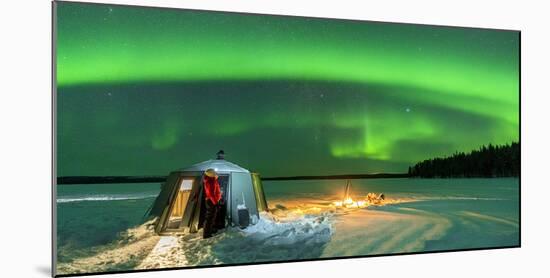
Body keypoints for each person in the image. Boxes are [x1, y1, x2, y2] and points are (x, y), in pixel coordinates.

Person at [202, 168, 222, 239]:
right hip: (211, 201)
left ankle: (210, 230)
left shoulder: (212, 180)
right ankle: (206, 234)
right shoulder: (209, 181)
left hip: (213, 201)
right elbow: (210, 194)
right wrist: (215, 203)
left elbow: (215, 190)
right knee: (210, 217)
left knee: (212, 216)